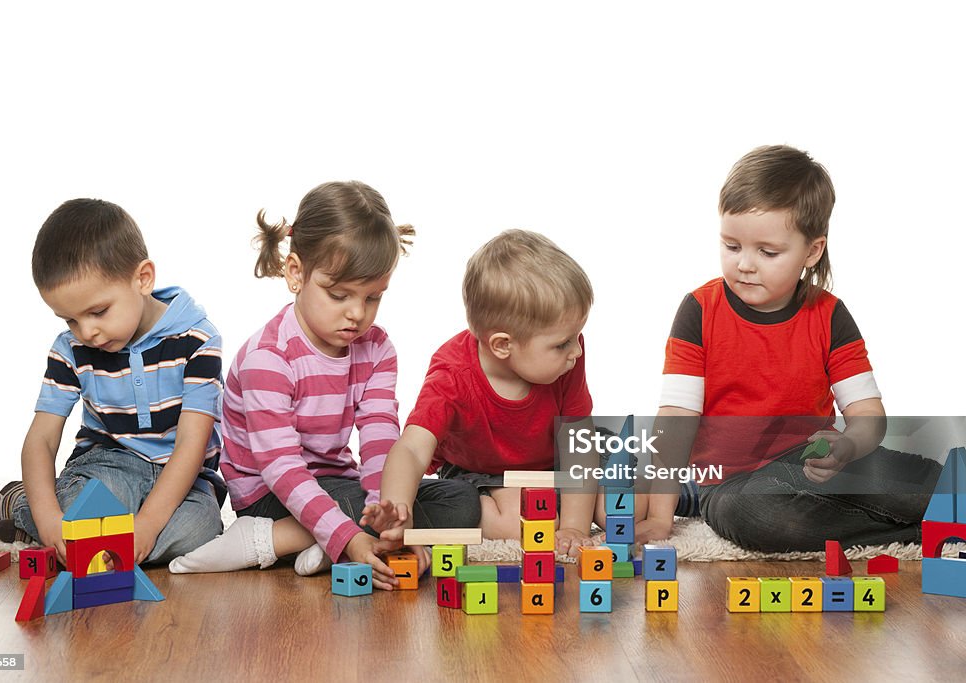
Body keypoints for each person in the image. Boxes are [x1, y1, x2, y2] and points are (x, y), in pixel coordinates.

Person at [168, 181, 480, 588]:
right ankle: (278, 539)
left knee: (461, 501)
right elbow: (281, 468)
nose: (357, 313)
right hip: (269, 495)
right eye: (339, 295)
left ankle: (328, 541)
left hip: (339, 485)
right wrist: (354, 533)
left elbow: (380, 442)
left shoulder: (378, 349)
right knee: (352, 508)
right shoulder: (269, 356)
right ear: (296, 273)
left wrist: (387, 515)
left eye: (372, 298)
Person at [636, 145, 940, 551]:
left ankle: (918, 516)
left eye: (768, 252)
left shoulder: (830, 315)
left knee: (933, 484)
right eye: (731, 246)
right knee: (760, 518)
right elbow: (675, 418)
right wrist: (659, 516)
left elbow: (867, 414)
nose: (745, 264)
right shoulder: (699, 310)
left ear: (811, 251)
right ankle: (917, 534)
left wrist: (849, 445)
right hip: (732, 484)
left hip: (815, 461)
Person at [0, 198, 226, 565]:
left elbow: (192, 445)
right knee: (75, 512)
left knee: (200, 531)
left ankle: (102, 546)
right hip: (108, 465)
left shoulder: (198, 340)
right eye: (70, 320)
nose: (88, 332)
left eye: (98, 312)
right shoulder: (70, 350)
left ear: (143, 279)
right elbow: (42, 439)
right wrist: (49, 520)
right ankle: (21, 503)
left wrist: (146, 526)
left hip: (184, 476)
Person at [362, 229, 600, 558]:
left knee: (619, 492)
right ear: (503, 345)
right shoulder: (453, 375)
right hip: (482, 474)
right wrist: (399, 510)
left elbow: (579, 443)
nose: (576, 350)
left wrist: (575, 525)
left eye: (577, 336)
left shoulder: (566, 358)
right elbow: (414, 448)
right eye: (562, 343)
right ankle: (469, 511)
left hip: (551, 467)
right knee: (523, 520)